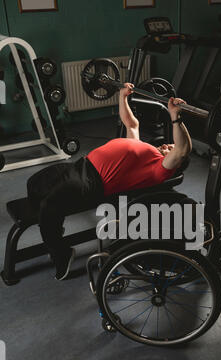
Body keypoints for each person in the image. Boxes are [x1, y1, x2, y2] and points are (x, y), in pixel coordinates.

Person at [27, 83, 192, 280]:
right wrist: (122, 97)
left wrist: (176, 116)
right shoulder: (145, 150)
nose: (167, 145)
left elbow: (182, 150)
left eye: (170, 147)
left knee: (49, 205)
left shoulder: (159, 169)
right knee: (35, 184)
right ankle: (53, 229)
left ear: (175, 163)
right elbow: (131, 124)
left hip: (90, 181)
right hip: (81, 165)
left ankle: (61, 253)